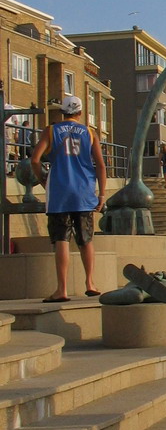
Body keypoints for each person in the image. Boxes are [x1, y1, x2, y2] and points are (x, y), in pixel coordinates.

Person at [30, 95, 107, 302]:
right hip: (83, 192)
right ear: (80, 113)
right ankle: (90, 282)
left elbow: (35, 160)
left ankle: (61, 289)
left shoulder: (51, 130)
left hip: (59, 193)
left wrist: (43, 180)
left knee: (61, 239)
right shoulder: (90, 133)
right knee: (86, 239)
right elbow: (100, 165)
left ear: (62, 112)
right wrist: (101, 194)